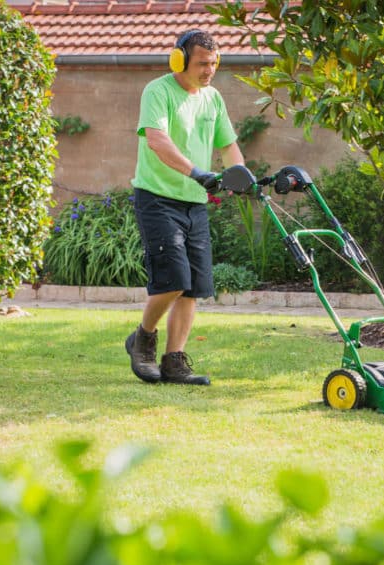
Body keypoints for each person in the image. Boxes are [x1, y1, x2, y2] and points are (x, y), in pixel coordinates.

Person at [125, 29, 244, 386]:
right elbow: (157, 141)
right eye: (201, 64)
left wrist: (242, 178)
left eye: (213, 63)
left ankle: (174, 362)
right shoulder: (158, 92)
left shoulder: (213, 98)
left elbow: (229, 146)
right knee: (173, 278)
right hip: (157, 198)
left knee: (194, 286)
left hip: (194, 203)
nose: (208, 71)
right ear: (179, 60)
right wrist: (197, 172)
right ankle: (142, 340)